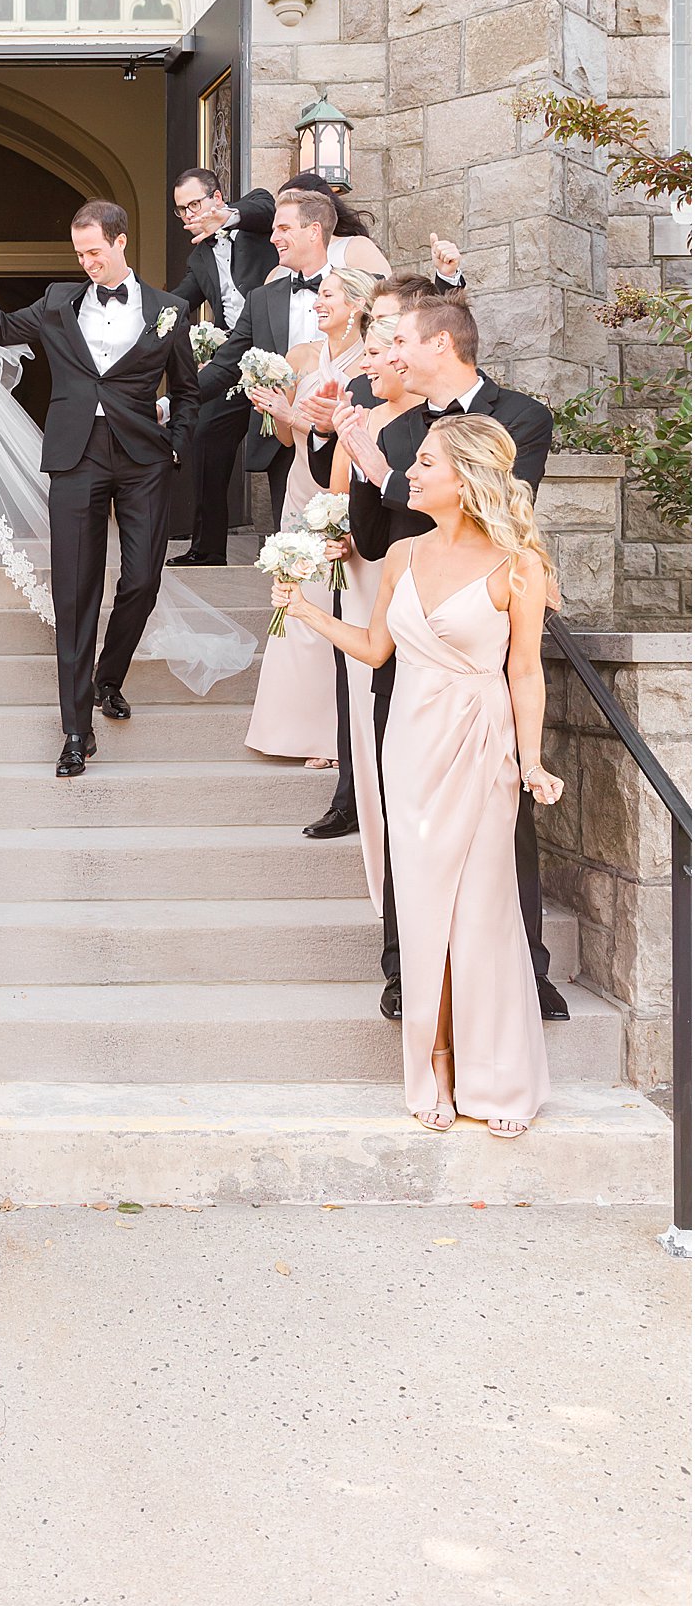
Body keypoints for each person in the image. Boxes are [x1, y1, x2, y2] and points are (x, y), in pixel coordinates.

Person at [274, 416, 561, 1135]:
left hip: (480, 740)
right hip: (408, 745)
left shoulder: (520, 563)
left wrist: (531, 759)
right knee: (426, 906)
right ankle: (434, 1061)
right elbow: (375, 650)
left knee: (484, 910)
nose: (413, 472)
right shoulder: (401, 554)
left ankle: (494, 1076)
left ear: (464, 478)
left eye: (426, 462)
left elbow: (524, 671)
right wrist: (304, 608)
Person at [329, 293, 566, 1023]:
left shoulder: (519, 416)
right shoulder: (393, 429)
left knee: (504, 821)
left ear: (441, 344)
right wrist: (357, 460)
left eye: (401, 339)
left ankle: (526, 965)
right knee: (411, 819)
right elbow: (373, 540)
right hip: (408, 654)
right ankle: (406, 965)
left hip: (478, 652)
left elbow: (501, 505)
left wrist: (384, 470)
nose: (390, 353)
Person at [0, 202, 201, 778]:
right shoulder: (58, 302)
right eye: (80, 253)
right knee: (74, 593)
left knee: (141, 580)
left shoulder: (169, 309)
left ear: (120, 243)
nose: (87, 262)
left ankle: (108, 677)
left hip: (144, 459)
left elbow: (188, 390)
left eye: (95, 251)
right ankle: (75, 730)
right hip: (75, 456)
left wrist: (176, 446)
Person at [244, 266, 375, 765]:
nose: (318, 303)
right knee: (297, 598)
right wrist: (278, 412)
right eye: (318, 295)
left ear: (356, 306)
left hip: (341, 488)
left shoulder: (370, 367)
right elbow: (287, 441)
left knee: (335, 604)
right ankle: (292, 729)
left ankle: (331, 736)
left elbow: (359, 437)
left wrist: (301, 416)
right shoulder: (303, 357)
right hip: (301, 484)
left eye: (327, 295)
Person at [316, 301, 422, 901]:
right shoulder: (362, 414)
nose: (368, 365)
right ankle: (361, 814)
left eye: (376, 355)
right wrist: (336, 535)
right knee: (361, 704)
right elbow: (336, 495)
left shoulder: (430, 427)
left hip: (404, 573)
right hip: (359, 572)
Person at [195, 188, 337, 528]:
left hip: (346, 438)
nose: (273, 238)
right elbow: (225, 366)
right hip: (284, 445)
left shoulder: (363, 289)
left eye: (283, 229)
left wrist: (448, 278)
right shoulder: (261, 300)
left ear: (314, 231)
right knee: (294, 552)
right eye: (273, 229)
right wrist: (169, 403)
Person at [167, 167, 278, 567]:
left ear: (217, 197)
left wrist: (227, 217)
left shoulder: (256, 220)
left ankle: (290, 539)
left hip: (278, 351)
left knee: (283, 447)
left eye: (195, 204)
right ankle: (208, 547)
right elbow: (179, 303)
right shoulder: (199, 256)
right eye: (182, 210)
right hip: (232, 358)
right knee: (206, 434)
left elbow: (264, 208)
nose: (189, 215)